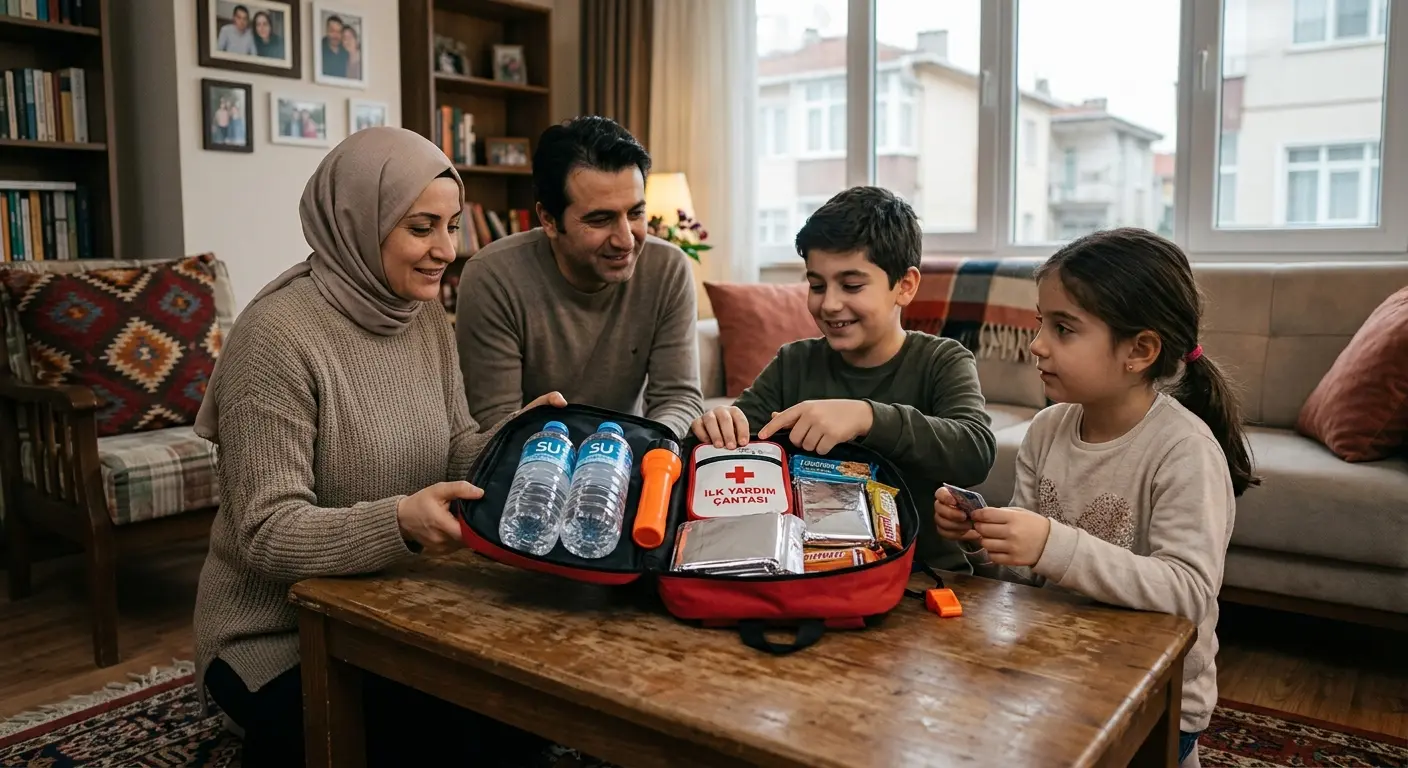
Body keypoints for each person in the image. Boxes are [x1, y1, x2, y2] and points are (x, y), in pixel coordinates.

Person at [192, 126, 566, 767]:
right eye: (422, 228)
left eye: (453, 226)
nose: (447, 250)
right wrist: (399, 523)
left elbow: (454, 447)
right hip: (277, 634)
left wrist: (514, 440)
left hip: (389, 605)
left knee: (520, 717)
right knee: (444, 745)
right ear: (357, 223)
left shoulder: (422, 317)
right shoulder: (276, 338)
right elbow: (265, 533)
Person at [932, 228, 1256, 768]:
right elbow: (1025, 576)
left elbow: (1188, 594)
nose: (1036, 344)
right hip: (1056, 672)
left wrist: (1051, 544)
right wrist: (983, 538)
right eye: (1041, 322)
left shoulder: (1185, 451)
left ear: (1140, 351)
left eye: (1063, 328)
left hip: (1158, 699)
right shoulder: (1046, 430)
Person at [691, 186, 996, 573]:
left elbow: (975, 451)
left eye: (851, 286)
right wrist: (718, 428)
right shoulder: (793, 363)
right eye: (817, 286)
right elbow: (733, 447)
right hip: (812, 577)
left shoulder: (942, 360)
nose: (830, 304)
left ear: (905, 285)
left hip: (927, 577)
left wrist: (866, 417)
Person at [455, 116, 704, 438]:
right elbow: (495, 421)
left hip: (631, 451)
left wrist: (643, 449)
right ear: (548, 219)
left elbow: (679, 398)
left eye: (636, 213)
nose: (626, 239)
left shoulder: (668, 268)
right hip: (531, 456)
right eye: (600, 219)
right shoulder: (492, 277)